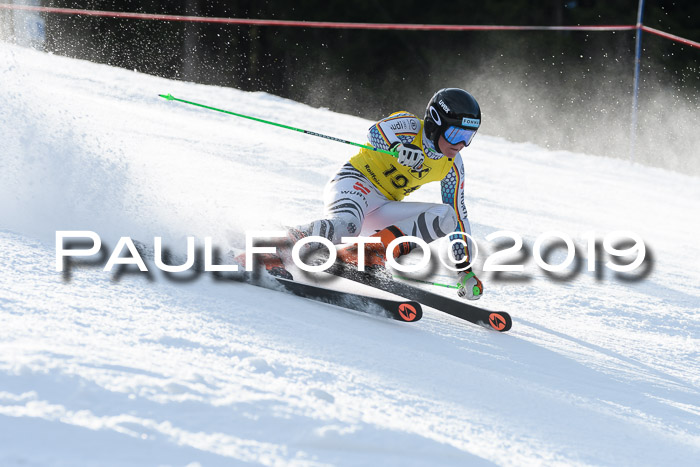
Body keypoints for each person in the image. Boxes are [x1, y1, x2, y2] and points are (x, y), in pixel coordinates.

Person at [262, 88, 484, 301]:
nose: (462, 144)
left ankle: (367, 253)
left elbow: (459, 214)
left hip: (383, 206)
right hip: (355, 184)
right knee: (347, 225)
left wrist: (464, 270)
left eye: (468, 136)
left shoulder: (453, 165)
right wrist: (398, 147)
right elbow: (376, 131)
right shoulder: (410, 126)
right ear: (436, 123)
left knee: (447, 216)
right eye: (456, 134)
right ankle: (276, 246)